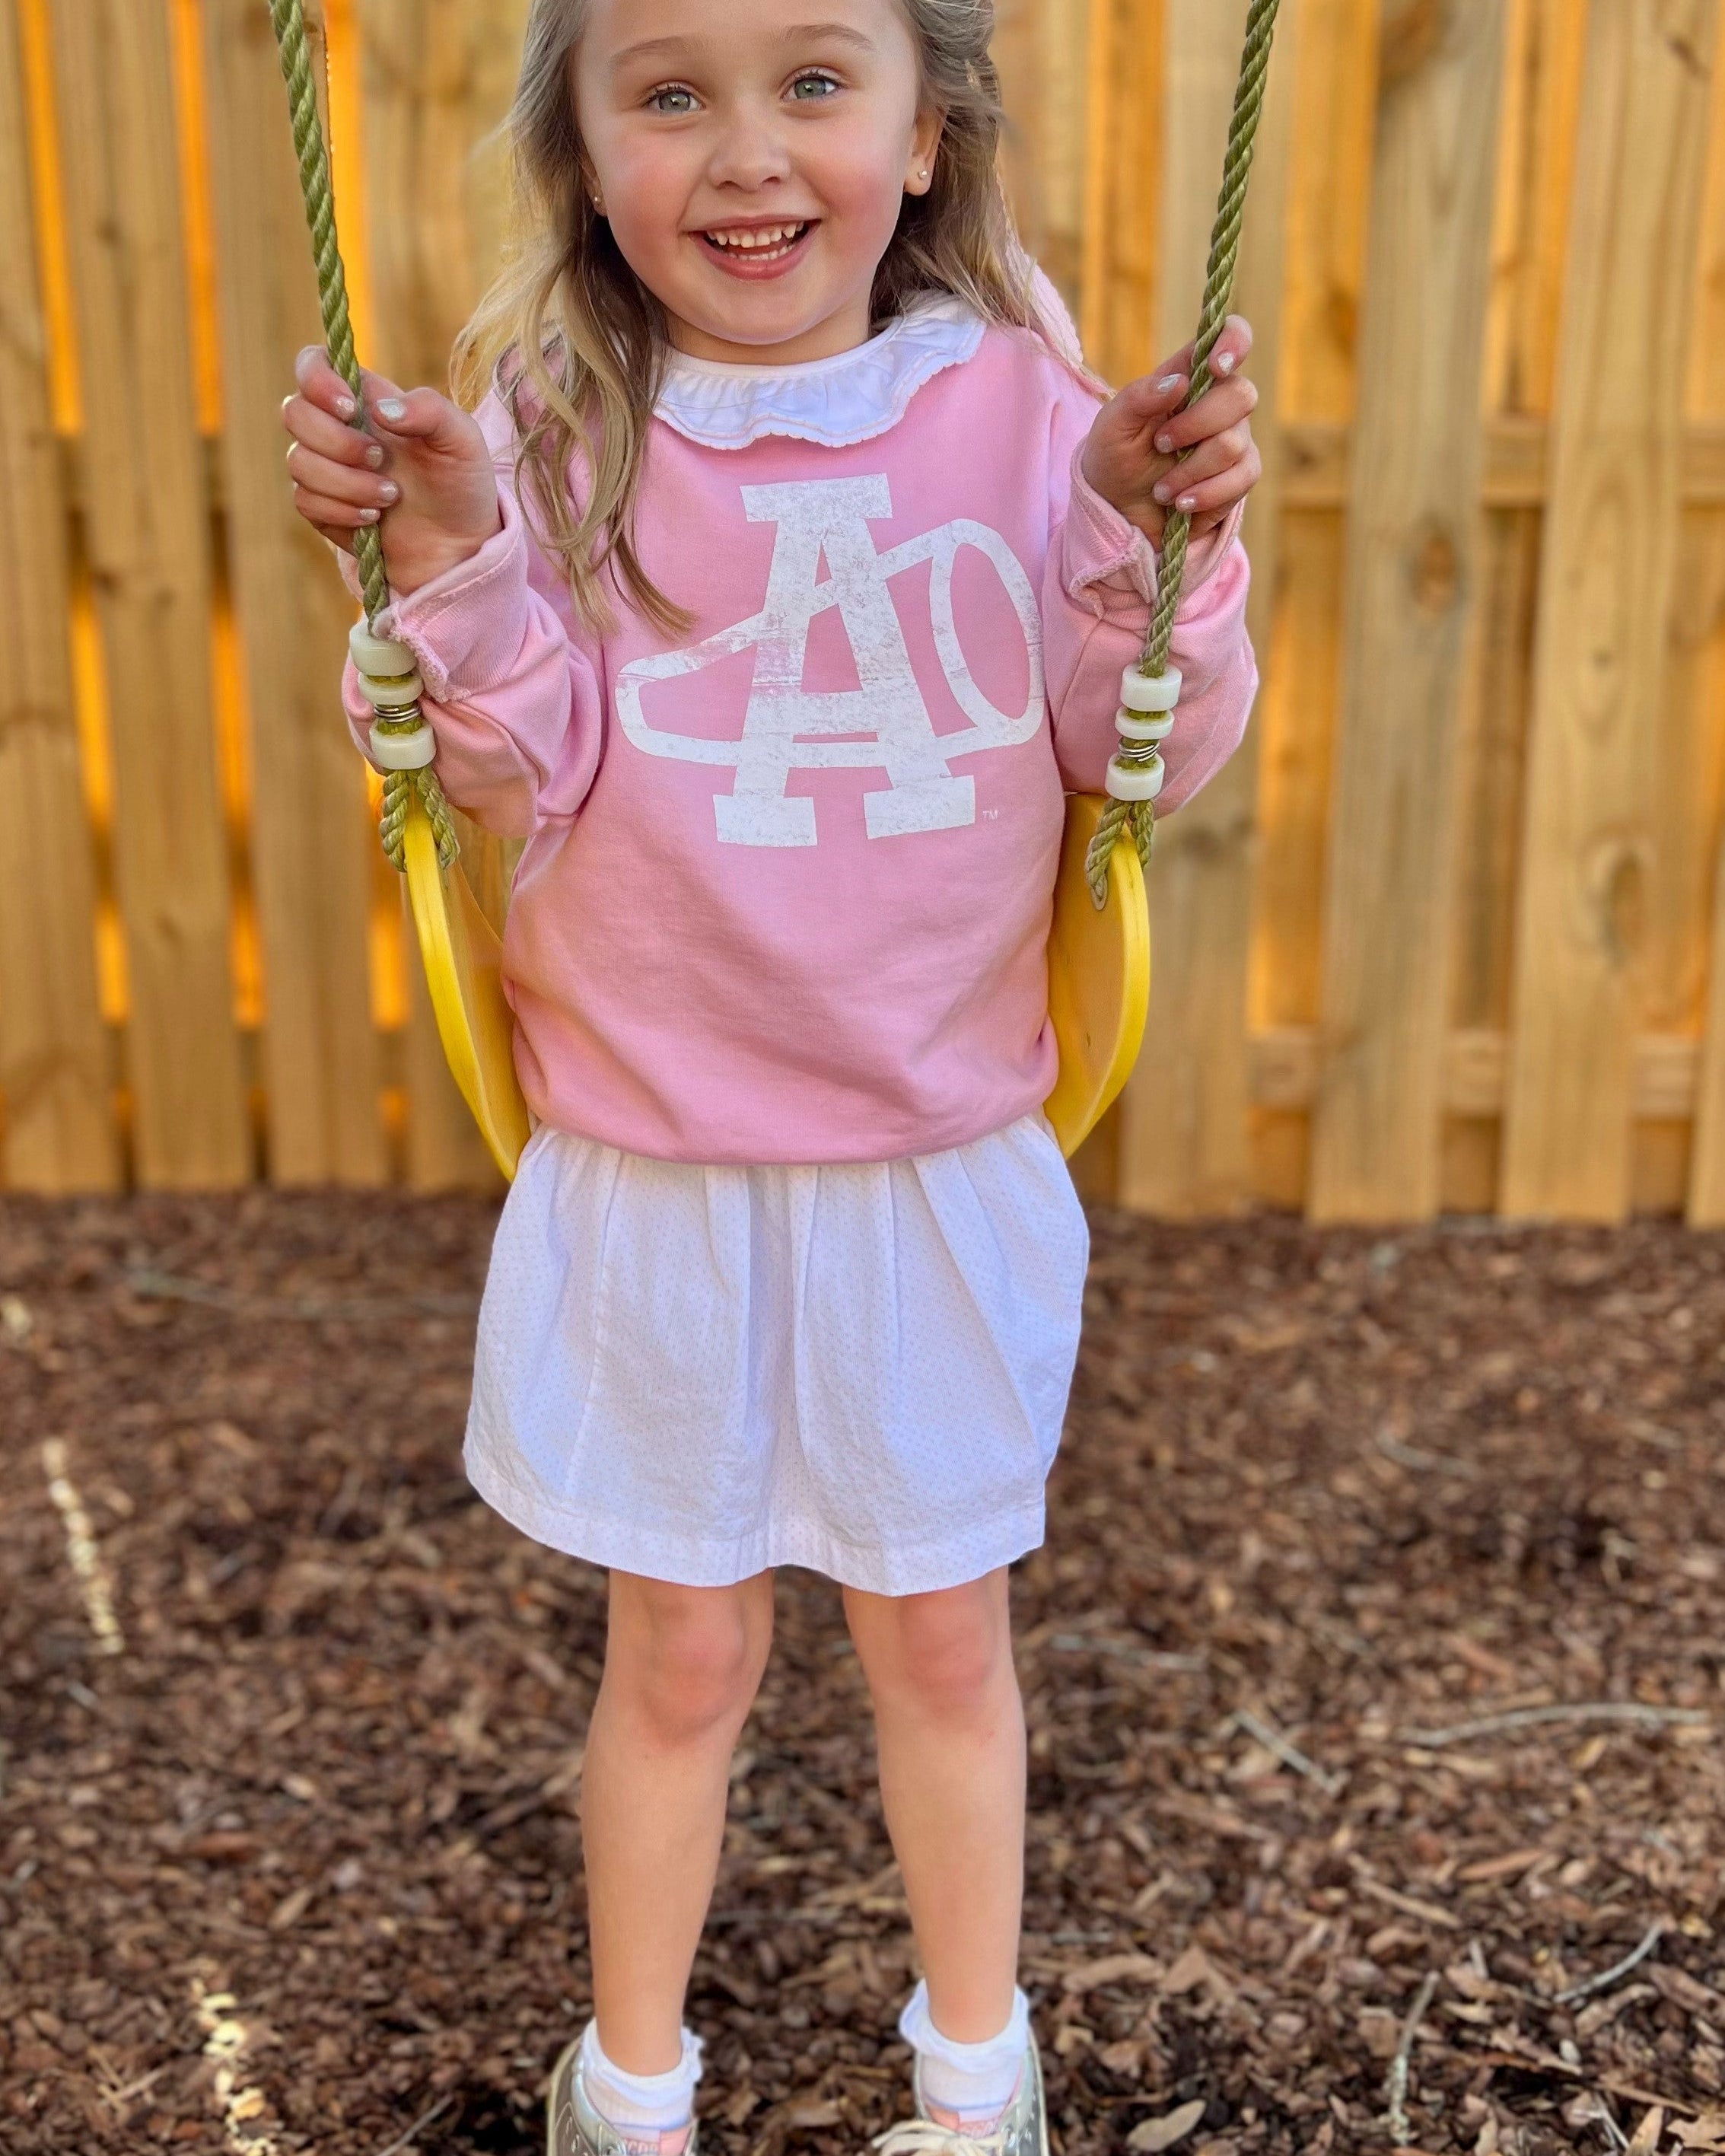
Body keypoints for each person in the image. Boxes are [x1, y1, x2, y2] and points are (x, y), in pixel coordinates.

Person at [281, 1, 1261, 2148]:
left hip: (929, 1152)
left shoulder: (1029, 410)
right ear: (583, 150)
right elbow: (518, 768)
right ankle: (632, 2083)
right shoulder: (553, 422)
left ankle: (975, 2078)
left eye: (814, 81)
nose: (744, 150)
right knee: (682, 1657)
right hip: (658, 1162)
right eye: (669, 94)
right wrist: (444, 557)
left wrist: (1137, 536)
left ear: (925, 133)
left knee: (942, 1646)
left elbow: (1137, 752)